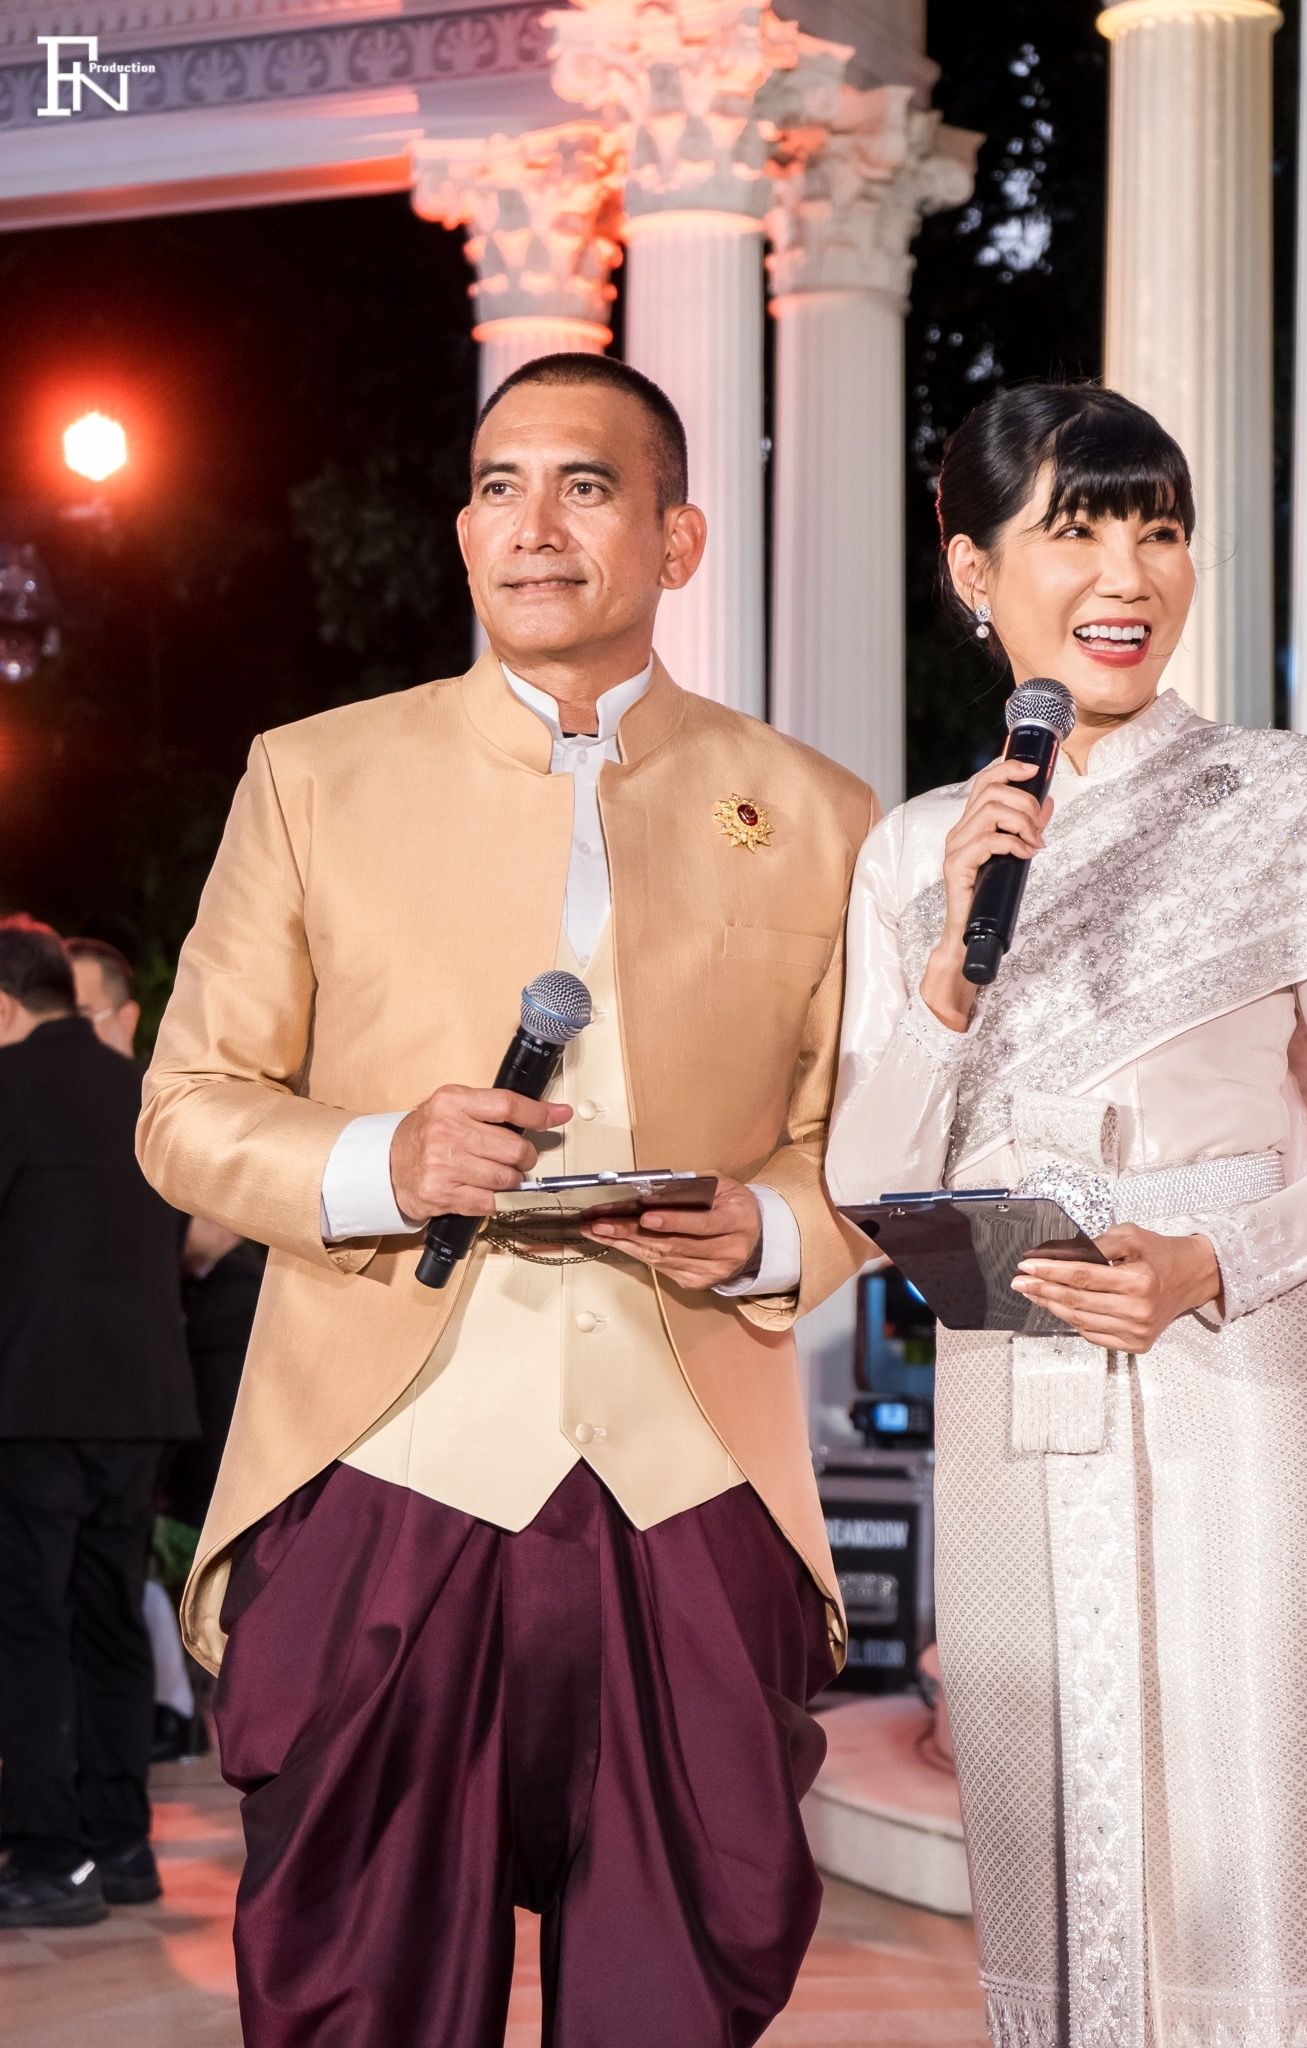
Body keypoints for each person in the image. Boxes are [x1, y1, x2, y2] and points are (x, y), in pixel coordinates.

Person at [137, 354, 877, 2047]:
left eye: (584, 486)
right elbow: (186, 1107)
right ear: (464, 530)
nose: (531, 525)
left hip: (690, 1467)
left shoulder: (817, 811)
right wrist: (376, 1161)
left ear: (676, 540)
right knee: (359, 1986)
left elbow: (854, 1145)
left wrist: (767, 1230)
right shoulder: (313, 777)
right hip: (381, 1456)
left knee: (683, 1975)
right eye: (496, 486)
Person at [825, 383, 1307, 2048]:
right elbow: (862, 1177)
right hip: (1013, 1395)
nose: (1127, 572)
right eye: (1075, 528)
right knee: (1049, 1862)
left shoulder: (1282, 796)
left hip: (1247, 1380)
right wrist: (943, 980)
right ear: (971, 568)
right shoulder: (914, 851)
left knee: (1251, 1859)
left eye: (1158, 528)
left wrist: (1212, 1262)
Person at [0, 916, 197, 1927]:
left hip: (32, 1399)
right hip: (141, 1400)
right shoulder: (143, 1095)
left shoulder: (8, 1086)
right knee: (109, 1618)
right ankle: (121, 1848)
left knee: (28, 1626)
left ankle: (49, 1857)